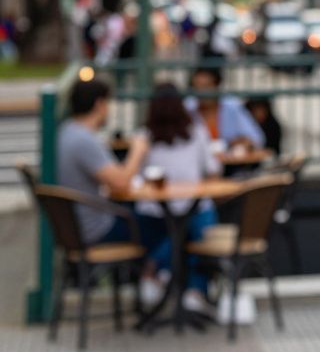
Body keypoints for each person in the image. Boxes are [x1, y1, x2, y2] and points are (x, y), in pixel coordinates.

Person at [136, 83, 221, 310]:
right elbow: (213, 170)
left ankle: (153, 270)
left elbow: (135, 177)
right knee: (193, 228)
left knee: (180, 229)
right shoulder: (197, 132)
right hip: (192, 209)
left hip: (154, 212)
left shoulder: (144, 137)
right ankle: (195, 289)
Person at [56, 79, 148, 245]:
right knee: (160, 226)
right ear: (99, 104)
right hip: (95, 230)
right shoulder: (84, 139)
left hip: (75, 227)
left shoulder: (67, 130)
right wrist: (137, 150)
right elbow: (121, 183)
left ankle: (144, 270)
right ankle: (152, 270)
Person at [186, 67, 265, 148]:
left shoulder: (231, 106)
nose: (201, 92)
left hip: (227, 159)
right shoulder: (188, 108)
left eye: (206, 87)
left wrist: (237, 143)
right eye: (197, 87)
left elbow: (257, 139)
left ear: (216, 86)